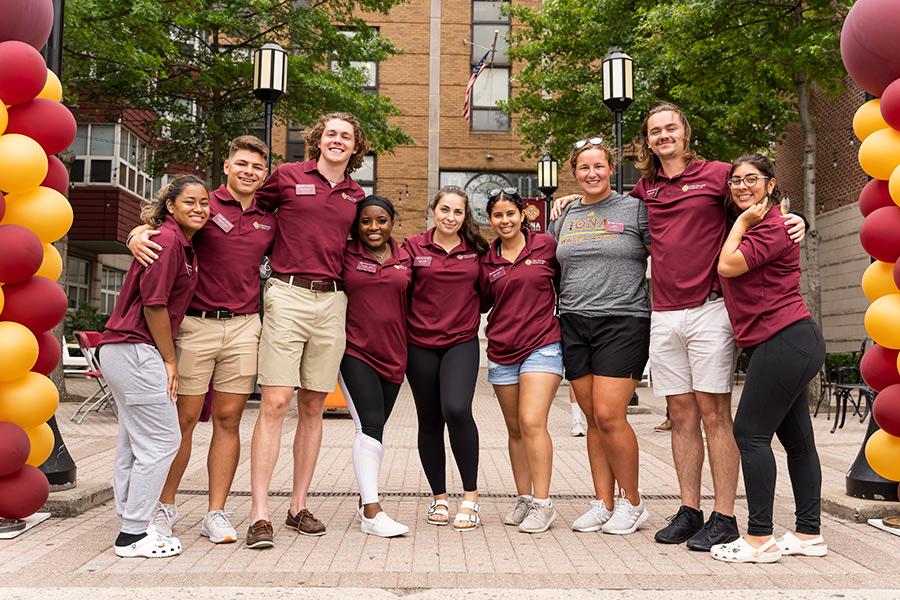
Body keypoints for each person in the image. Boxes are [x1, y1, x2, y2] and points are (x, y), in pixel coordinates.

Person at [554, 103, 807, 550]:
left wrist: (795, 218)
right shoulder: (645, 191)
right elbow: (605, 210)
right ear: (647, 141)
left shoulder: (718, 175)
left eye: (671, 127)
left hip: (710, 309)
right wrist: (575, 201)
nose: (663, 135)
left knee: (715, 416)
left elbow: (758, 200)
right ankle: (690, 510)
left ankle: (724, 516)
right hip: (664, 313)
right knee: (680, 415)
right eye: (655, 131)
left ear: (685, 133)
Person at [126, 136, 274, 544]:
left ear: (265, 175)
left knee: (229, 420)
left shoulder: (269, 215)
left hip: (245, 327)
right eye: (241, 163)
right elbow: (163, 226)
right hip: (195, 326)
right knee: (183, 422)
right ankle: (164, 507)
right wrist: (136, 234)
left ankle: (216, 513)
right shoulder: (204, 206)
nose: (249, 172)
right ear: (226, 166)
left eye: (257, 167)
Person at [246, 112, 368, 548]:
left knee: (314, 406)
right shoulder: (286, 176)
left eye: (346, 137)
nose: (338, 141)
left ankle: (298, 506)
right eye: (331, 134)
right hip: (288, 292)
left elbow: (371, 245)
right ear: (318, 139)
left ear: (355, 148)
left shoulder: (356, 195)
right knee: (276, 402)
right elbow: (245, 208)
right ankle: (259, 514)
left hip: (333, 301)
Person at [711, 154, 826, 563]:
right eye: (736, 181)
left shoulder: (769, 227)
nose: (743, 187)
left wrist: (741, 224)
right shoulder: (770, 223)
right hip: (790, 341)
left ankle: (759, 537)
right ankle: (809, 533)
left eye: (752, 179)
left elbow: (727, 265)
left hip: (785, 339)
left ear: (771, 184)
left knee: (749, 434)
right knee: (797, 440)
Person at [99, 175, 210, 558]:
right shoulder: (165, 241)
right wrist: (169, 359)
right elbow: (154, 304)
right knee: (163, 441)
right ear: (170, 207)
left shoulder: (176, 241)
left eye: (204, 203)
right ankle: (132, 535)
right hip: (135, 349)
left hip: (124, 348)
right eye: (190, 202)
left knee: (134, 441)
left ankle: (134, 522)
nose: (199, 208)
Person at [547, 137, 652, 535]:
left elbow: (668, 250)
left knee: (610, 414)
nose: (592, 173)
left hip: (623, 320)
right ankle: (603, 502)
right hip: (574, 321)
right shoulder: (565, 216)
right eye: (584, 168)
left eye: (599, 166)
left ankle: (634, 502)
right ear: (574, 173)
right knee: (592, 417)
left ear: (611, 169)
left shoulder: (635, 210)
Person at [402, 186, 488, 531]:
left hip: (461, 343)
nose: (450, 217)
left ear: (465, 217)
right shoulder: (413, 247)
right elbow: (401, 290)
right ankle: (439, 496)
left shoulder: (476, 251)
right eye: (445, 210)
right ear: (433, 210)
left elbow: (485, 298)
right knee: (430, 420)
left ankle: (470, 496)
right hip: (419, 344)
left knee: (456, 409)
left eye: (458, 212)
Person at [480, 187, 563, 534]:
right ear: (490, 220)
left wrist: (569, 201)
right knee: (515, 429)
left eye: (510, 213)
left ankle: (544, 504)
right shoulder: (487, 260)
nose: (505, 220)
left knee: (532, 422)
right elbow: (482, 303)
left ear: (523, 214)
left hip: (543, 345)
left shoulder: (546, 245)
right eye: (497, 215)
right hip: (502, 349)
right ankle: (525, 498)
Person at [339, 195, 412, 538]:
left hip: (394, 354)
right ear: (356, 225)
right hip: (355, 352)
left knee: (377, 430)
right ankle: (372, 510)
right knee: (368, 425)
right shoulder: (344, 254)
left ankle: (363, 500)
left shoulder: (406, 257)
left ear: (392, 222)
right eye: (366, 221)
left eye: (381, 220)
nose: (373, 227)